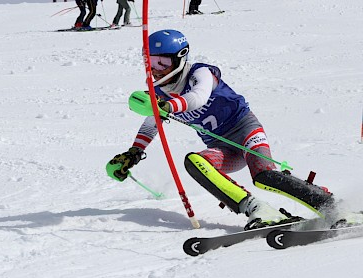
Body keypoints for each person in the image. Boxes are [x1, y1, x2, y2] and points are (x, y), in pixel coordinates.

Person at [107, 29, 363, 230]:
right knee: (196, 162)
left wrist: (167, 106)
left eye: (162, 62)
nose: (155, 69)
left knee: (264, 175)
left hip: (245, 130)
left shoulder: (201, 73)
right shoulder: (159, 91)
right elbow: (152, 121)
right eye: (150, 62)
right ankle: (258, 210)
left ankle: (335, 207)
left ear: (180, 57)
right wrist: (133, 152)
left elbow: (198, 97)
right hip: (221, 148)